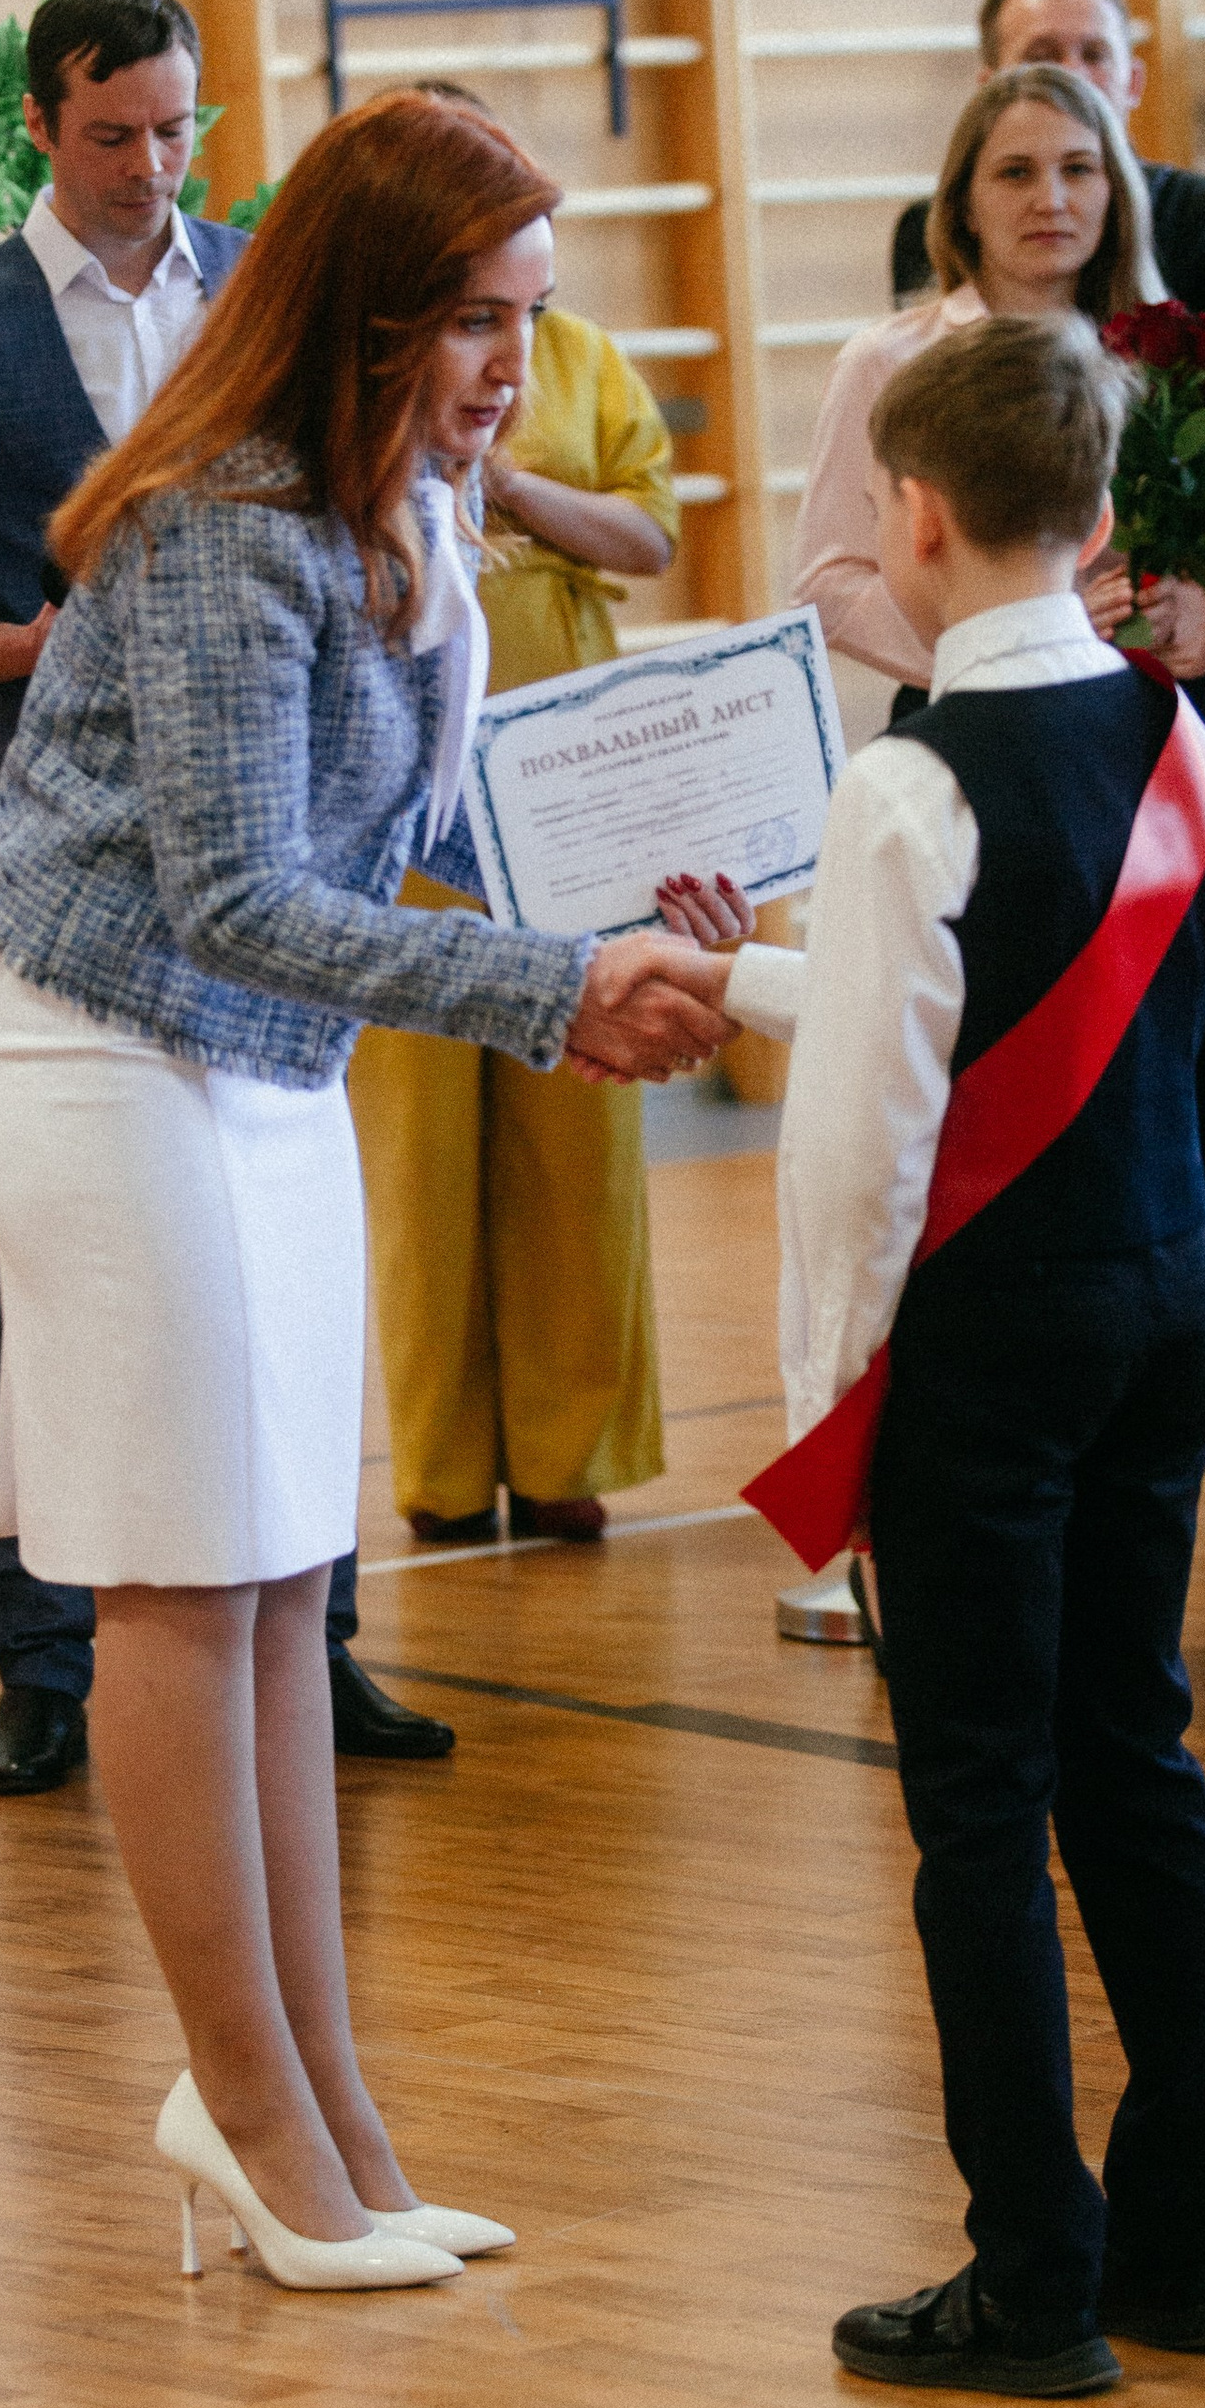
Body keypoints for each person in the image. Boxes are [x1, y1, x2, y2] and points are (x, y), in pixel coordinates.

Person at [0, 90, 727, 2289]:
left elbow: (375, 844)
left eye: (527, 318)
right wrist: (551, 984)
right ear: (365, 315)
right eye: (474, 322)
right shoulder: (218, 524)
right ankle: (256, 2119)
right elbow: (232, 893)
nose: (509, 364)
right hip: (95, 1039)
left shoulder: (412, 496)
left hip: (250, 1050)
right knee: (188, 1582)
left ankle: (326, 2110)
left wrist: (618, 906)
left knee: (289, 1567)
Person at [709, 315, 1205, 2397]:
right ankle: (1183, 2244)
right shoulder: (1182, 741)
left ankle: (1029, 2273)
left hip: (979, 1344)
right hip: (1160, 1285)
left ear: (906, 515)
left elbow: (864, 1151)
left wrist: (819, 1434)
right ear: (1101, 513)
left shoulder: (903, 781)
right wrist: (746, 965)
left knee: (971, 1807)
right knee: (1135, 1758)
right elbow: (1044, 1012)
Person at [0, 0, 441, 1790]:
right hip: (74, 864)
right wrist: (61, 638)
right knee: (50, 1272)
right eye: (111, 133)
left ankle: (314, 1623)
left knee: (276, 1259)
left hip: (276, 837)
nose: (149, 165)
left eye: (176, 128)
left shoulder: (259, 287)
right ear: (39, 121)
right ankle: (38, 1654)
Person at [349, 291, 680, 1543]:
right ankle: (439, 1466)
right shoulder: (368, 366)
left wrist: (512, 489)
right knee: (420, 1138)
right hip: (410, 781)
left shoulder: (589, 356)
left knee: (577, 1130)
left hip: (570, 784)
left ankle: (565, 1455)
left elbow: (651, 535)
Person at [795, 63, 1202, 704]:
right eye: (1016, 172)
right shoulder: (891, 358)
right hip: (966, 707)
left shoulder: (1164, 359)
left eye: (1078, 169)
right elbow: (828, 584)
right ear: (965, 208)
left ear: (1115, 195)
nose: (1052, 200)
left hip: (1135, 706)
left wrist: (1190, 605)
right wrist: (1019, 637)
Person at [887, 0, 1205, 315]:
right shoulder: (930, 224)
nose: (1073, 75)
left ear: (1132, 83)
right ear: (990, 88)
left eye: (1095, 55)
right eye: (1042, 57)